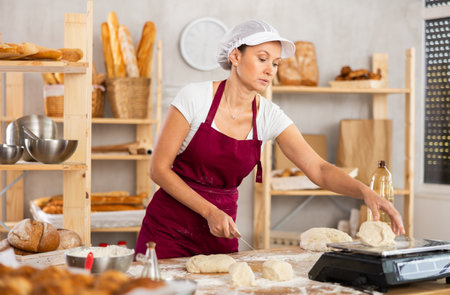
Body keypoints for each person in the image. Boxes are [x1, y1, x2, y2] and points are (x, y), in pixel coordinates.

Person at [136, 19, 405, 259]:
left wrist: (364, 191)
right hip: (167, 232)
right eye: (262, 59)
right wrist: (208, 211)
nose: (270, 69)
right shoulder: (195, 98)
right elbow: (158, 169)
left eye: (275, 63)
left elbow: (319, 169)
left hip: (221, 233)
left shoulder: (269, 115)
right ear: (235, 56)